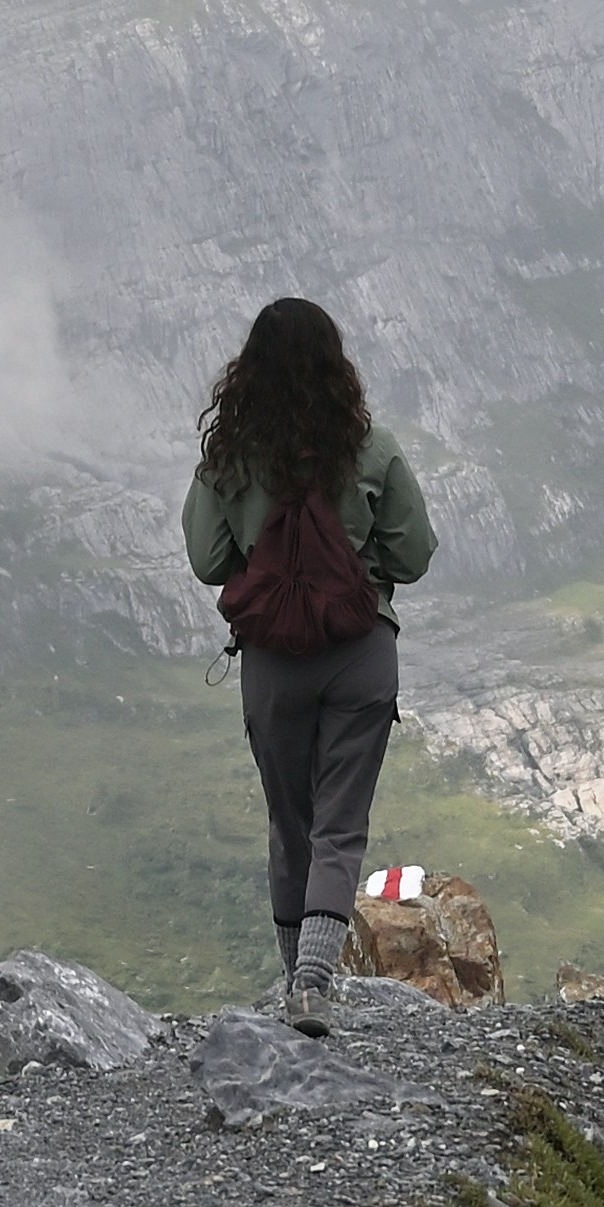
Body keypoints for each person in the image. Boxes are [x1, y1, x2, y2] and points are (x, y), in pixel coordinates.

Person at [180, 295, 438, 1034]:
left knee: (289, 822)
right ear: (337, 367)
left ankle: (299, 977)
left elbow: (207, 560)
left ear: (247, 371)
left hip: (272, 666)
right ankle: (315, 987)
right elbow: (414, 555)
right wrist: (360, 574)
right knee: (339, 824)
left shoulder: (229, 458)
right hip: (358, 654)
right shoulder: (372, 448)